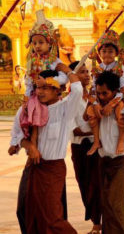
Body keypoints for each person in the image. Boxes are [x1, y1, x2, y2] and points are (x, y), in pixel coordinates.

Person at [11, 64, 82, 234]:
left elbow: (78, 89)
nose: (40, 92)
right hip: (33, 168)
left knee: (52, 216)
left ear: (58, 90)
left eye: (45, 88)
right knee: (28, 212)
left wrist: (66, 70)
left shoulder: (65, 109)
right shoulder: (28, 109)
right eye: (37, 88)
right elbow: (18, 136)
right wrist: (30, 147)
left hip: (53, 169)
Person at [92, 71, 124, 234]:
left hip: (122, 161)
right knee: (106, 202)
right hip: (104, 160)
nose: (102, 96)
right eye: (99, 93)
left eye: (105, 93)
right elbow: (85, 119)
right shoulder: (99, 109)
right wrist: (96, 105)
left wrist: (120, 103)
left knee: (115, 200)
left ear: (114, 92)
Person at [20, 10, 68, 152]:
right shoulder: (32, 62)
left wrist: (47, 82)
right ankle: (25, 144)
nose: (37, 46)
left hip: (51, 98)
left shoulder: (55, 61)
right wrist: (26, 98)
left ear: (50, 44)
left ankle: (39, 147)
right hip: (36, 97)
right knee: (22, 115)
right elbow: (29, 82)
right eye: (34, 43)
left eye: (41, 42)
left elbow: (64, 78)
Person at [69, 61, 101, 234]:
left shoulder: (96, 96)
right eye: (82, 72)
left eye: (87, 71)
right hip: (80, 147)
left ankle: (98, 222)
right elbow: (75, 129)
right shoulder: (69, 100)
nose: (87, 75)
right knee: (85, 183)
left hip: (97, 145)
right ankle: (95, 220)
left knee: (97, 183)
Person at [88, 29, 124, 156]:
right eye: (104, 51)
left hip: (120, 96)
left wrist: (111, 104)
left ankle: (121, 140)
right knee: (90, 112)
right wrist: (96, 104)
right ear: (99, 53)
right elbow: (94, 88)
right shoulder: (98, 68)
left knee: (119, 112)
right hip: (102, 97)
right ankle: (96, 141)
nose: (107, 54)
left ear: (116, 53)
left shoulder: (119, 66)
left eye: (111, 51)